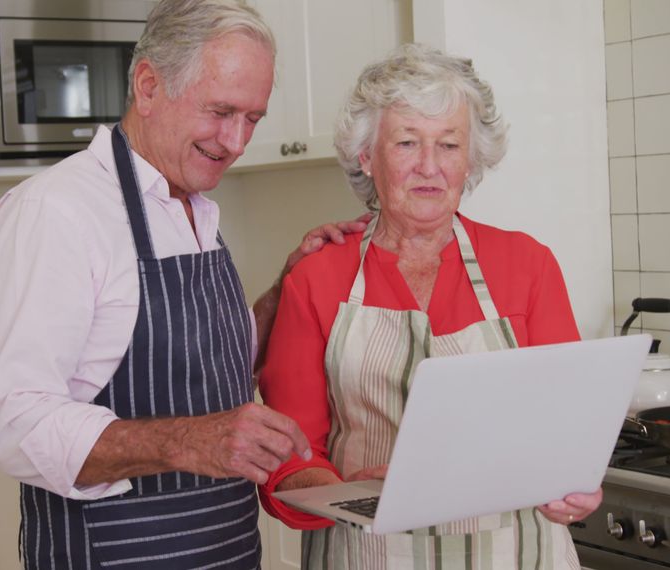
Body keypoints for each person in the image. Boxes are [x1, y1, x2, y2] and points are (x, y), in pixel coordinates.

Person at [0, 1, 366, 568]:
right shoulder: (55, 213)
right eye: (221, 111)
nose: (235, 140)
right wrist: (187, 441)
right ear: (149, 86)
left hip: (226, 551)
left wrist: (283, 290)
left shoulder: (194, 208)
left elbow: (203, 371)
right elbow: (18, 426)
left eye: (252, 118)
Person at [257, 43, 602, 569]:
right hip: (368, 554)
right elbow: (288, 458)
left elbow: (565, 434)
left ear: (472, 157)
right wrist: (354, 493)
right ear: (366, 157)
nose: (430, 167)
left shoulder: (527, 265)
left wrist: (576, 486)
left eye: (448, 145)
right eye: (406, 142)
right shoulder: (317, 278)